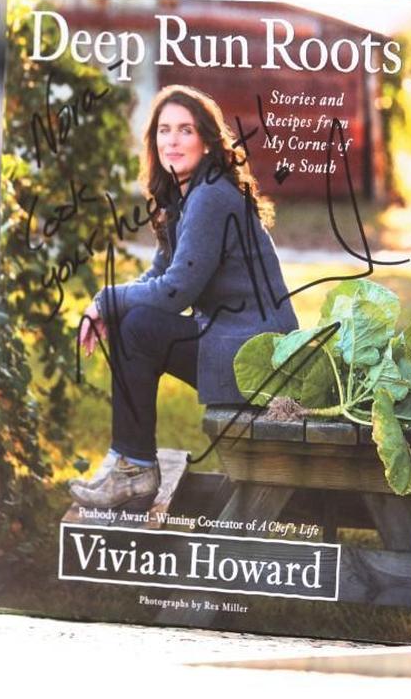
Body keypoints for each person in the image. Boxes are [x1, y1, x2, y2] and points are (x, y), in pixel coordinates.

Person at [71, 85, 298, 510]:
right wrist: (114, 303)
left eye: (185, 130)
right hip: (234, 341)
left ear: (208, 140)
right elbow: (160, 273)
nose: (171, 141)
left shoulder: (210, 195)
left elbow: (177, 292)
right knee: (132, 316)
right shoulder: (186, 193)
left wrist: (104, 300)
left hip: (257, 356)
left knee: (136, 323)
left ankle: (133, 468)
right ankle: (129, 463)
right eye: (163, 130)